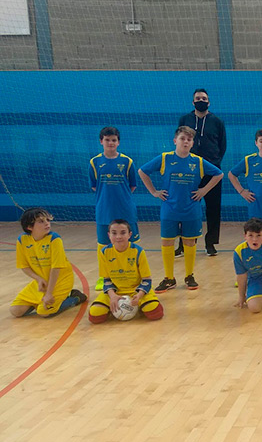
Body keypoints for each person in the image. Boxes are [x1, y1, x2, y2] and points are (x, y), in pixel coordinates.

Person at [138, 126, 223, 293]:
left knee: (189, 242)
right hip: (169, 208)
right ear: (175, 140)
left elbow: (219, 174)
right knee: (167, 242)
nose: (186, 141)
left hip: (191, 209)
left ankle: (189, 276)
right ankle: (169, 278)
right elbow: (142, 171)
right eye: (183, 138)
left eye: (189, 139)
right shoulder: (165, 158)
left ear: (192, 143)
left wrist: (204, 190)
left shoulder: (197, 161)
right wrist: (154, 192)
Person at [10, 208, 87, 317]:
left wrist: (49, 293)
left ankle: (75, 297)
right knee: (15, 311)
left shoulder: (54, 239)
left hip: (60, 281)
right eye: (41, 221)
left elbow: (56, 268)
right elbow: (24, 266)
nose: (47, 223)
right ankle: (41, 301)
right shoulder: (22, 240)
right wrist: (38, 279)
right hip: (43, 282)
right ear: (29, 227)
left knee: (44, 312)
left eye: (47, 220)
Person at [176, 88, 227, 257]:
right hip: (189, 171)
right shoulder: (185, 120)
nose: (201, 100)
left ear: (209, 102)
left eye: (204, 98)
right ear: (193, 102)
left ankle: (210, 243)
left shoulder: (217, 121)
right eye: (198, 98)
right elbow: (180, 141)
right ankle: (184, 244)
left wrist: (215, 162)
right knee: (186, 207)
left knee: (213, 208)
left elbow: (222, 145)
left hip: (211, 171)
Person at [89, 126, 139, 291]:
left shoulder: (127, 161)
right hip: (104, 210)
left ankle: (134, 275)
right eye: (107, 139)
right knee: (103, 245)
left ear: (118, 142)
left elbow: (132, 185)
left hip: (126, 210)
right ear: (101, 141)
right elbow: (94, 186)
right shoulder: (94, 162)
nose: (110, 143)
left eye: (114, 140)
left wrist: (120, 197)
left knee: (131, 244)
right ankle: (104, 278)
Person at [88, 219, 163, 324]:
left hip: (137, 291)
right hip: (116, 291)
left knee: (155, 313)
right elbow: (106, 280)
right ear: (109, 235)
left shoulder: (138, 251)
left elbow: (147, 280)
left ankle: (140, 305)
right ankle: (113, 306)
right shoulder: (104, 252)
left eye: (123, 233)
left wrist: (140, 295)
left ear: (129, 235)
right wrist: (113, 296)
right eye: (114, 233)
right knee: (95, 316)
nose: (118, 237)